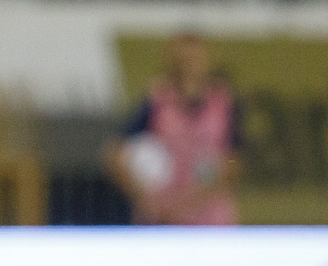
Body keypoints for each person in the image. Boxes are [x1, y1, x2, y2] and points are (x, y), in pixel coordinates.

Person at [104, 32, 242, 225]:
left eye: (194, 59)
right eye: (183, 60)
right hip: (160, 217)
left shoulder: (223, 103)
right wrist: (142, 196)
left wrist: (188, 202)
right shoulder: (156, 101)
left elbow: (233, 161)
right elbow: (116, 155)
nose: (188, 66)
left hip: (209, 220)